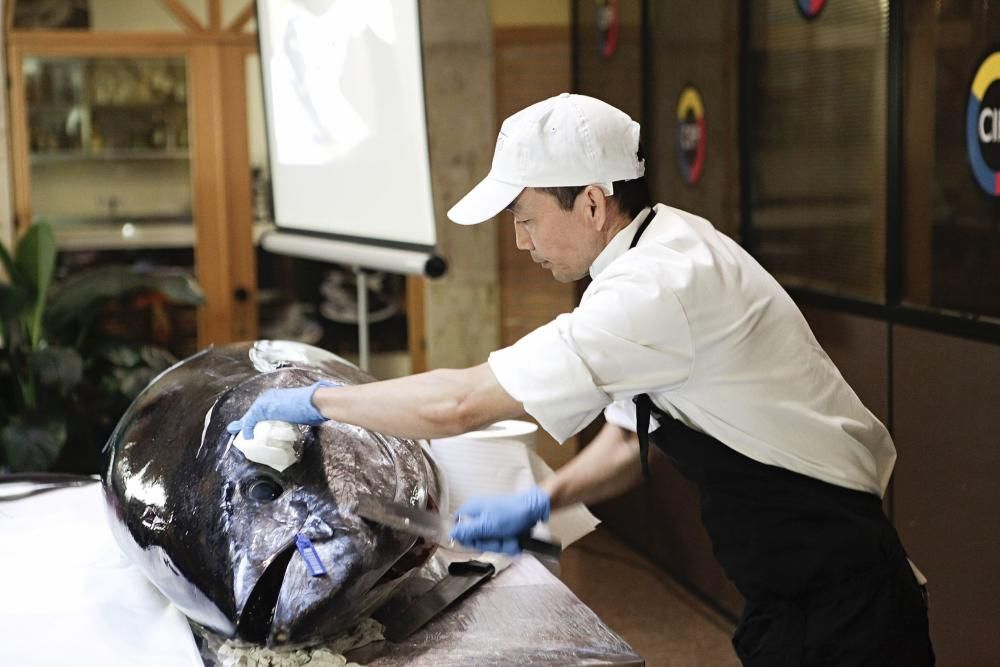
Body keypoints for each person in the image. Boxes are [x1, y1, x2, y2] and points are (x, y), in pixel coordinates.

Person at [229, 93, 934, 665]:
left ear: (593, 203)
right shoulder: (657, 247)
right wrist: (543, 496)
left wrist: (317, 399)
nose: (521, 241)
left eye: (527, 218)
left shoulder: (657, 286)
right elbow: (634, 437)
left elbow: (459, 402)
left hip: (843, 599)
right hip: (796, 584)